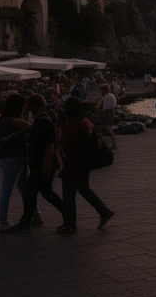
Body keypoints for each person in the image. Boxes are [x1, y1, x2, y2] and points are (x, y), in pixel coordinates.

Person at [8, 95, 64, 232]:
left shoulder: (43, 121)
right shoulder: (40, 120)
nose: (25, 107)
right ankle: (68, 214)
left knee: (34, 192)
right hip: (38, 163)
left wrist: (46, 163)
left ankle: (25, 222)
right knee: (43, 192)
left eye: (27, 104)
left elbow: (49, 144)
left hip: (41, 163)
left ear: (33, 105)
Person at [58, 97, 114, 233]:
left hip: (74, 162)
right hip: (84, 162)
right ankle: (103, 211)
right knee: (83, 189)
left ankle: (70, 223)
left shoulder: (73, 125)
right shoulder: (85, 122)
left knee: (68, 193)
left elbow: (68, 145)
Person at [0, 93, 31, 232]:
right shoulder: (14, 121)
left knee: (24, 188)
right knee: (8, 189)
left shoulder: (1, 120)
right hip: (14, 157)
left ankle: (35, 213)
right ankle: (3, 222)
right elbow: (32, 128)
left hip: (5, 156)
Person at [96, 84, 118, 150]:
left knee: (106, 127)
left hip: (107, 113)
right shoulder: (108, 96)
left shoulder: (108, 97)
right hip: (108, 112)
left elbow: (106, 108)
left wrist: (99, 111)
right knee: (106, 128)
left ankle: (114, 144)